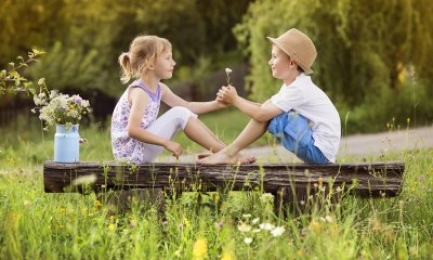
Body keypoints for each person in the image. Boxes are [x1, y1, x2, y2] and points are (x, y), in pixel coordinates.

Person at [198, 28, 341, 165]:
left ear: (291, 62)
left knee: (269, 114)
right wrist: (236, 100)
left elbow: (262, 115)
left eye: (274, 57)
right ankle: (228, 152)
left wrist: (235, 100)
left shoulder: (298, 89)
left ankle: (228, 153)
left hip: (318, 151)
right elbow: (263, 108)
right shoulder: (294, 86)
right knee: (268, 108)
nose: (269, 62)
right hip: (318, 148)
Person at [111, 35, 252, 164]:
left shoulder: (160, 88)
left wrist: (216, 104)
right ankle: (227, 154)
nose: (174, 62)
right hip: (131, 155)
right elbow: (133, 130)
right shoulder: (139, 92)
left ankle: (226, 152)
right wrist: (166, 142)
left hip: (140, 150)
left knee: (182, 112)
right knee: (179, 113)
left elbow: (188, 106)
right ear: (150, 64)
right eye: (167, 58)